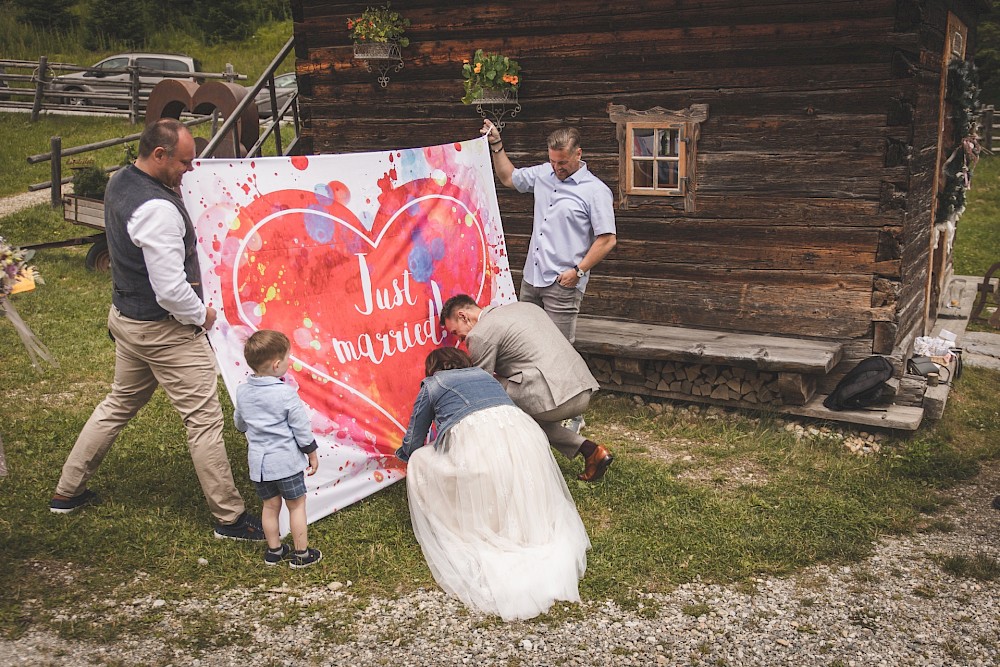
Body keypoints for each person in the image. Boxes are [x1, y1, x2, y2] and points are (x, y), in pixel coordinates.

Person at [49, 118, 265, 542]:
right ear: (159, 155)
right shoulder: (158, 210)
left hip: (128, 320)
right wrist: (199, 316)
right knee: (203, 420)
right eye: (184, 162)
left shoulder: (121, 181)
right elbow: (169, 289)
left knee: (117, 404)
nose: (190, 168)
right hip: (164, 331)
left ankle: (67, 491)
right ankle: (230, 518)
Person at [396, 347, 590, 621]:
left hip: (480, 443)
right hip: (524, 435)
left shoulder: (433, 385)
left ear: (433, 369)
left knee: (420, 460)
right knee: (501, 470)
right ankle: (507, 517)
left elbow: (415, 435)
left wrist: (405, 455)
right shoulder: (486, 376)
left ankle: (460, 518)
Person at [439, 294, 614, 482]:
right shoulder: (524, 307)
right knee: (526, 416)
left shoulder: (480, 334)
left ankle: (504, 464)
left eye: (456, 332)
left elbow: (481, 387)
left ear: (463, 316)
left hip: (555, 398)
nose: (459, 339)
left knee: (487, 396)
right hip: (582, 387)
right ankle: (591, 451)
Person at [480, 119, 617, 345]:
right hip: (531, 279)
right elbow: (508, 178)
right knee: (524, 346)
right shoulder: (544, 174)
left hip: (563, 283)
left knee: (558, 351)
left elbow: (607, 240)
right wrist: (497, 144)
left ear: (578, 154)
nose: (557, 168)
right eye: (552, 161)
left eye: (562, 162)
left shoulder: (595, 191)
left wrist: (578, 272)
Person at [234, 330, 322, 568]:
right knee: (297, 506)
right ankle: (302, 554)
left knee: (270, 506)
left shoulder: (242, 392)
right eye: (286, 359)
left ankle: (274, 551)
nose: (288, 363)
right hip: (285, 464)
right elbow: (301, 428)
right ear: (276, 365)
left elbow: (240, 423)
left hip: (259, 466)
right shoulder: (285, 394)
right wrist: (311, 452)